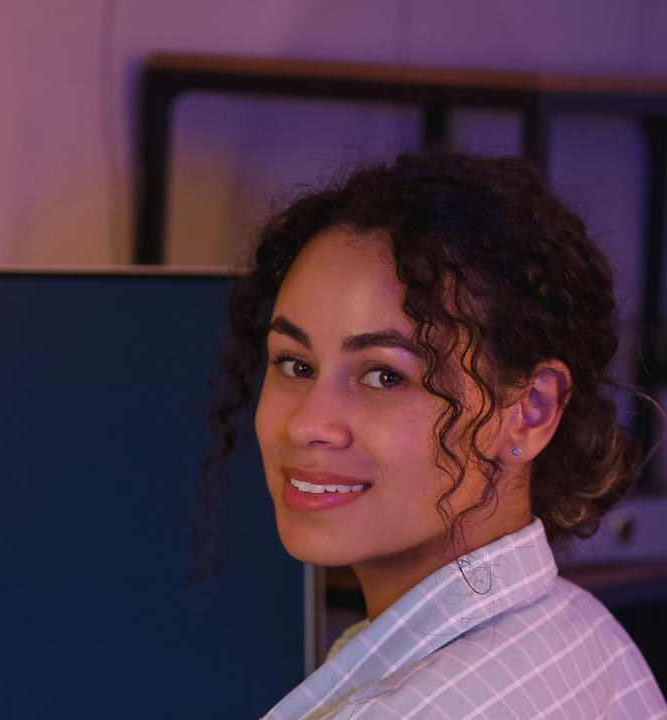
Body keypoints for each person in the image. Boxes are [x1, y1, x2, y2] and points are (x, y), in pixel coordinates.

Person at [205, 152, 667, 718]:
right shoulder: (586, 634)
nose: (305, 423)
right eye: (295, 364)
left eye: (384, 375)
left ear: (530, 410)